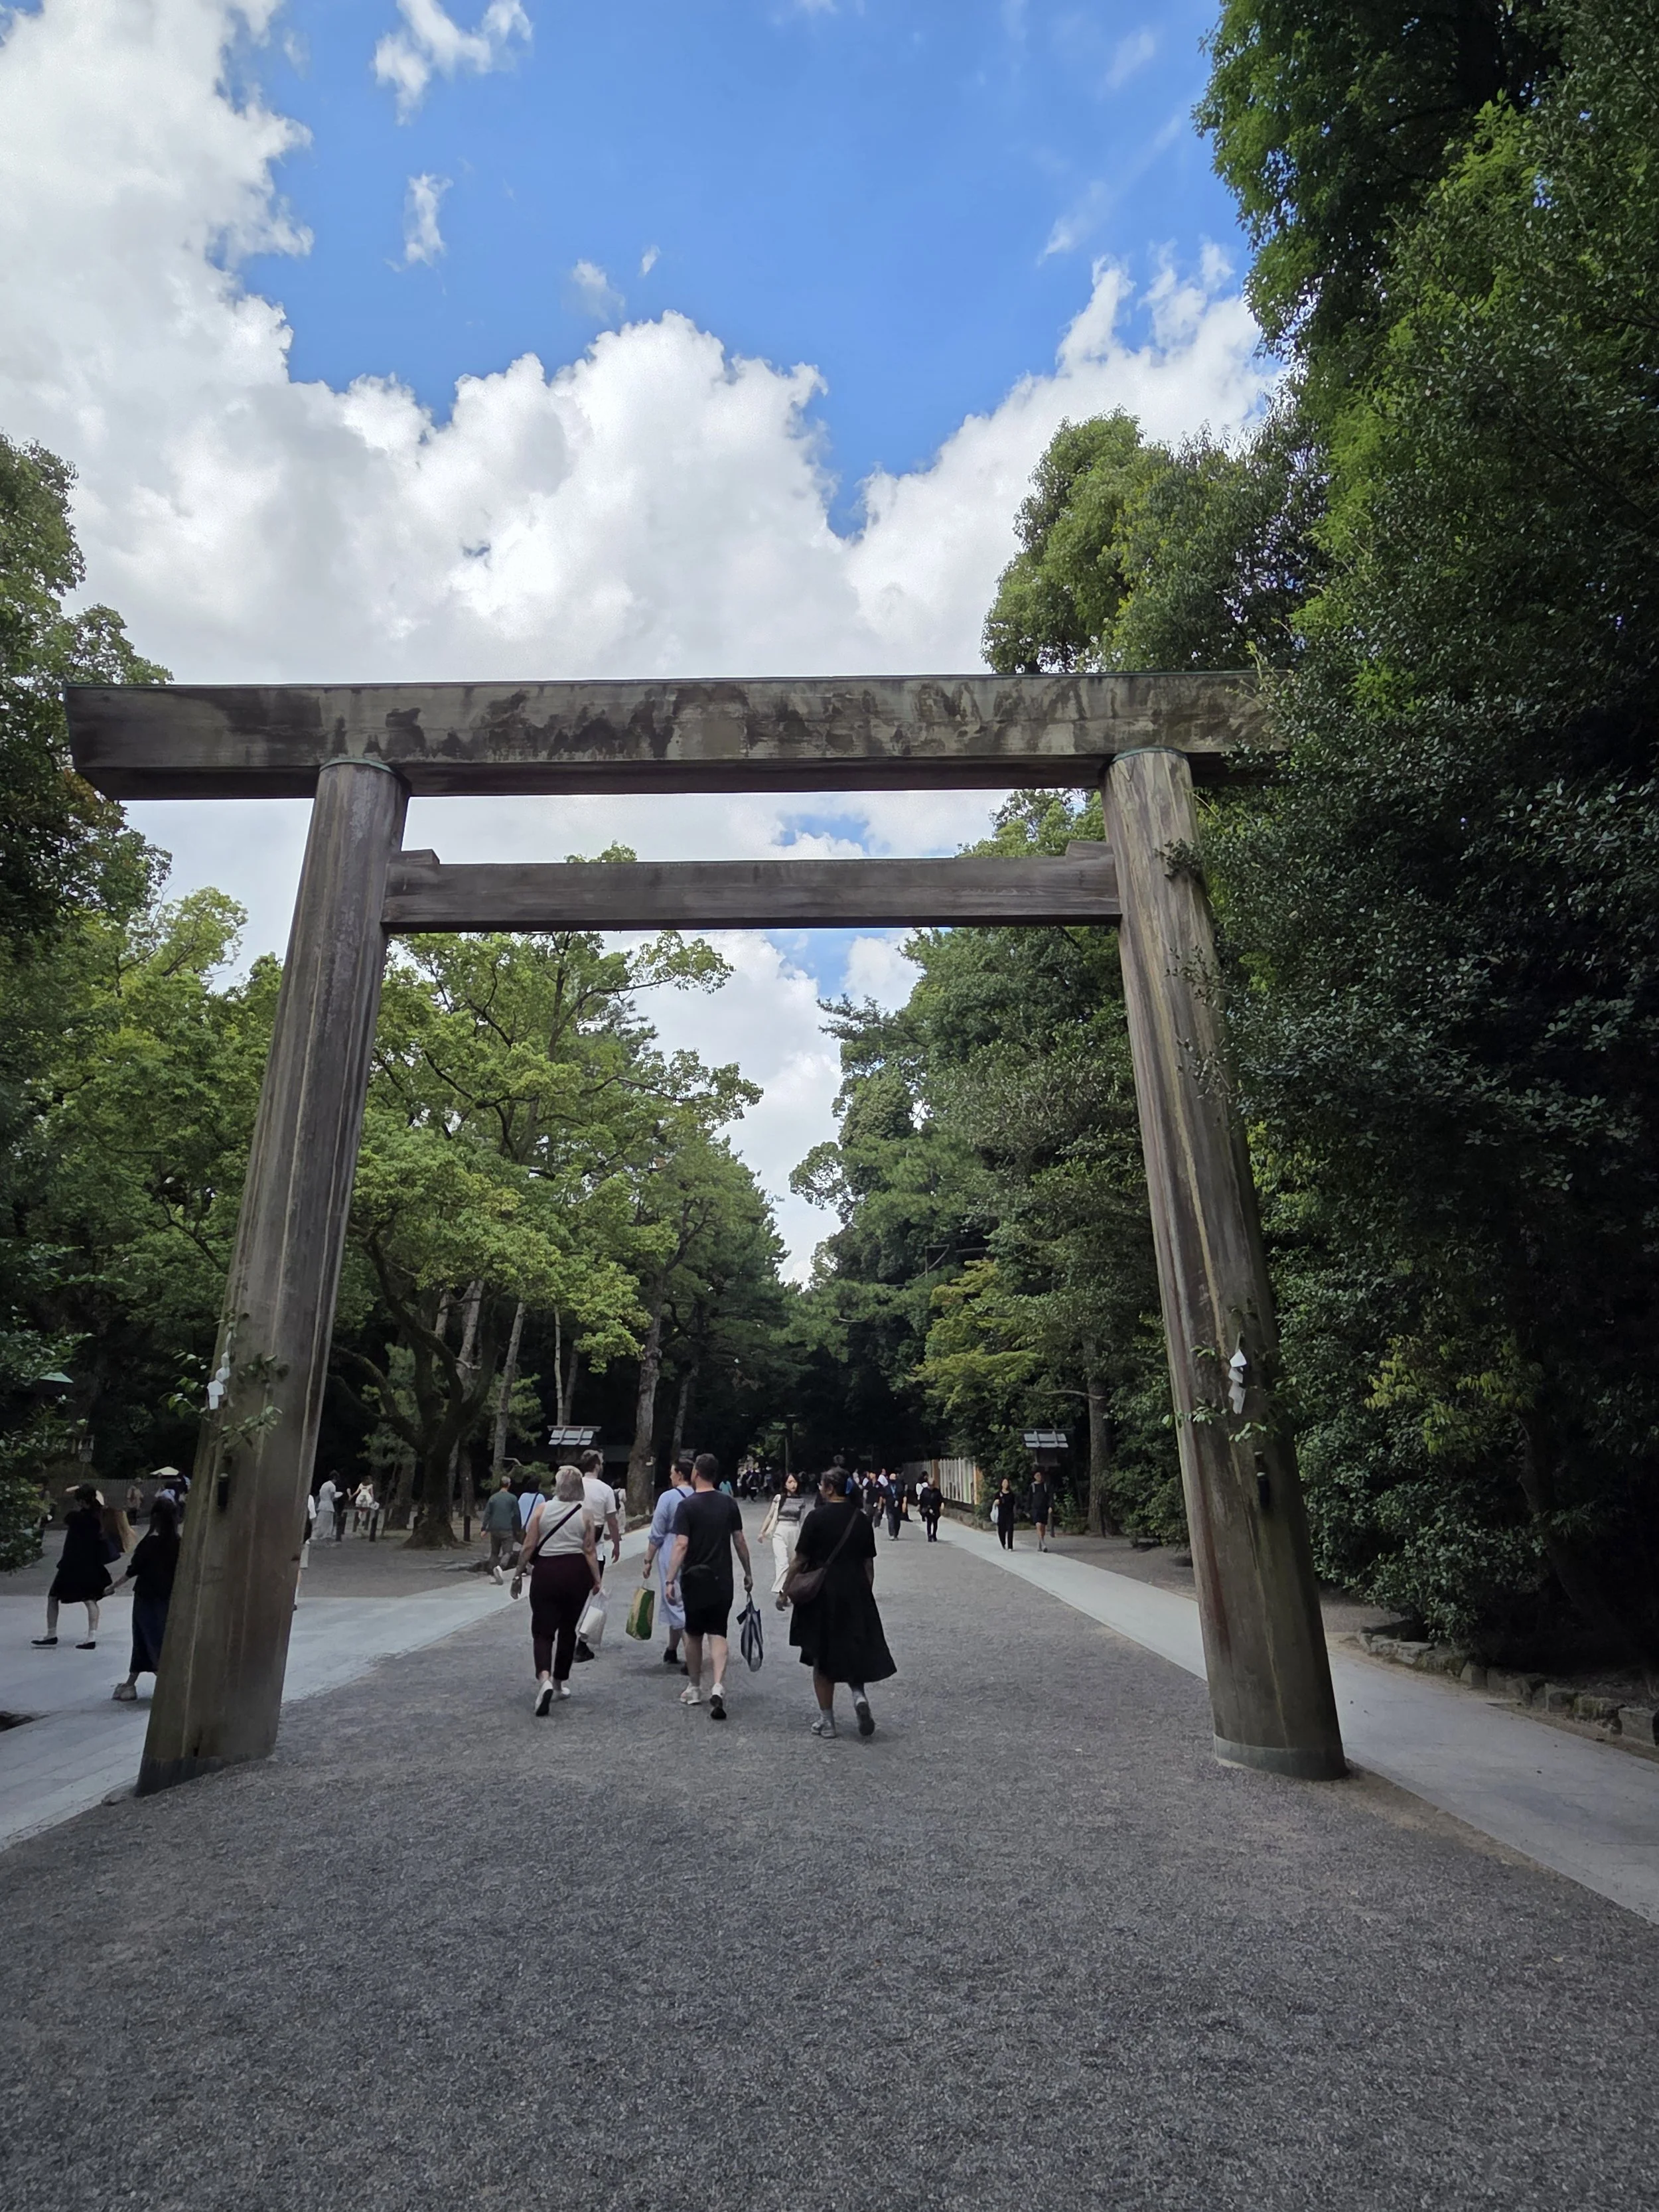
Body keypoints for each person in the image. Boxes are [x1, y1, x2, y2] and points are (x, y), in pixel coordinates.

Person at [787, 1467, 895, 1738]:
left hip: (823, 1594)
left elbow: (800, 1559)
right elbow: (868, 1563)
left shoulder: (816, 1518)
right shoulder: (860, 1520)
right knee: (852, 1648)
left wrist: (786, 1588)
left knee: (821, 1657)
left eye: (823, 1486)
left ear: (830, 1489)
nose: (820, 1490)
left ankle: (828, 1722)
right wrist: (865, 1593)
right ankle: (858, 1694)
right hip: (855, 1591)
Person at [664, 1452, 753, 1722]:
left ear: (696, 1474)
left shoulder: (688, 1506)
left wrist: (670, 1578)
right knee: (719, 1632)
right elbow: (739, 1541)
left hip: (694, 1577)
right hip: (721, 1578)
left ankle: (694, 1687)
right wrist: (748, 1573)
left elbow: (681, 1544)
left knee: (693, 1632)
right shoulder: (728, 1504)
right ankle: (718, 1684)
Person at [514, 1465, 602, 1712]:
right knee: (567, 1630)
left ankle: (544, 1679)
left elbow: (529, 1545)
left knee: (543, 1631)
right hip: (576, 1573)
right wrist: (597, 1579)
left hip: (546, 1572)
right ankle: (559, 1682)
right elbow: (589, 1549)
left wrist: (518, 1572)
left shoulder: (542, 1510)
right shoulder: (586, 1513)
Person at [111, 1495, 180, 1700]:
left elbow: (134, 1569)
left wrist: (112, 1587)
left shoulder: (149, 1544)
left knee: (146, 1638)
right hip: (169, 1598)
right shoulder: (179, 1544)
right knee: (159, 1638)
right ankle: (131, 1684)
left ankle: (159, 1682)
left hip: (146, 1597)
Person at [34, 1485, 113, 1648]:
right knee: (90, 1599)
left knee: (53, 1597)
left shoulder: (75, 1518)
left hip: (72, 1564)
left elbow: (67, 1517)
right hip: (91, 1564)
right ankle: (91, 1636)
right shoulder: (98, 1518)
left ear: (81, 1501)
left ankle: (51, 1633)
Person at [643, 1455, 697, 1671]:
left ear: (680, 1474)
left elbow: (657, 1532)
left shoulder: (668, 1497)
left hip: (671, 1546)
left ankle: (690, 1655)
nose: (670, 1476)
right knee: (687, 1599)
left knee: (674, 1598)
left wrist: (648, 1559)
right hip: (696, 1548)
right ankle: (671, 1648)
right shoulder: (698, 1495)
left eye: (673, 1473)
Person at [574, 1450, 624, 1660]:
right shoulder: (605, 1490)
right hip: (596, 1547)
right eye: (601, 1462)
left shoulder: (574, 1486)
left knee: (573, 1594)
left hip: (572, 1544)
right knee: (594, 1593)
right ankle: (582, 1641)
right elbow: (612, 1521)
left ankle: (567, 1634)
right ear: (596, 1465)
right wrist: (617, 1542)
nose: (603, 1465)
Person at [758, 1472, 808, 1609]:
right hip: (780, 1530)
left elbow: (802, 1520)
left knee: (794, 1563)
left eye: (795, 1482)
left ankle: (790, 1590)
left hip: (794, 1531)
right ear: (785, 1484)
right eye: (790, 1482)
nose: (793, 1485)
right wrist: (763, 1531)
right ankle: (782, 1592)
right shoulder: (779, 1498)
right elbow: (770, 1515)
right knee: (782, 1562)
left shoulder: (801, 1501)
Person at [480, 1478, 520, 1582]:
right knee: (507, 1552)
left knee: (494, 1552)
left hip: (494, 1528)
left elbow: (487, 1514)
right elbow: (516, 1514)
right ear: (509, 1485)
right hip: (507, 1528)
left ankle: (492, 1573)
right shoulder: (512, 1498)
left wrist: (484, 1528)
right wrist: (518, 1528)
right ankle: (500, 1567)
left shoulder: (493, 1498)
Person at [1027, 1473, 1055, 1553]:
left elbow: (1050, 1497)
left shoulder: (1045, 1486)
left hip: (1044, 1508)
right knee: (1038, 1525)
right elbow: (1029, 1498)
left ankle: (1040, 1542)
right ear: (1034, 1476)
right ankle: (1043, 1544)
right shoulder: (1032, 1487)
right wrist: (1027, 1509)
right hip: (1035, 1509)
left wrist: (1051, 1506)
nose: (1039, 1476)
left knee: (1043, 1527)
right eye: (1037, 1475)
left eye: (1040, 1475)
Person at [991, 1477, 1017, 1550]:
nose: (1006, 1484)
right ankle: (1003, 1543)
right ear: (1002, 1484)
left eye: (1007, 1483)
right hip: (1001, 1514)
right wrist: (995, 1503)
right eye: (1004, 1482)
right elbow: (994, 1503)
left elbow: (1014, 1504)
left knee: (1010, 1530)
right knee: (1001, 1531)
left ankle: (1010, 1546)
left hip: (1010, 1514)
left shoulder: (1011, 1494)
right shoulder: (998, 1494)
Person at [918, 1476, 943, 1542]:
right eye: (930, 1485)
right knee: (929, 1522)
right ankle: (929, 1535)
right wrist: (921, 1508)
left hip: (935, 1509)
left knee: (935, 1523)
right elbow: (921, 1500)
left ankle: (934, 1535)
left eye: (932, 1485)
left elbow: (940, 1500)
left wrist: (941, 1506)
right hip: (927, 1509)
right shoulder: (925, 1491)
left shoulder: (937, 1491)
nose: (931, 1487)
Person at [315, 1474, 338, 1542]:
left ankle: (319, 1533)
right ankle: (326, 1534)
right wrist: (336, 1498)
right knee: (328, 1521)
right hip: (328, 1505)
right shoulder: (332, 1486)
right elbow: (332, 1497)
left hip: (322, 1504)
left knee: (321, 1520)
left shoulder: (324, 1484)